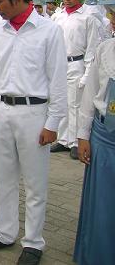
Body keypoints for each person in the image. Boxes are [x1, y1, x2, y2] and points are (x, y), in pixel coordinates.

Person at [0, 0, 67, 265]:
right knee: (4, 178)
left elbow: (58, 82)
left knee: (35, 183)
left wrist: (53, 124)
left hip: (33, 114)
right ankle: (4, 233)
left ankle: (33, 242)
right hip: (2, 112)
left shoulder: (48, 31)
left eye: (0, 1)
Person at [74, 33, 115, 265]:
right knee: (102, 204)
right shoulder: (105, 49)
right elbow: (90, 95)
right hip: (103, 135)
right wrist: (83, 136)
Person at [52, 0, 101, 160]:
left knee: (75, 104)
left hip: (77, 63)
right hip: (59, 63)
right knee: (61, 102)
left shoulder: (87, 18)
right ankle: (63, 139)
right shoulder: (58, 17)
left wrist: (87, 73)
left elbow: (92, 48)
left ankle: (75, 141)